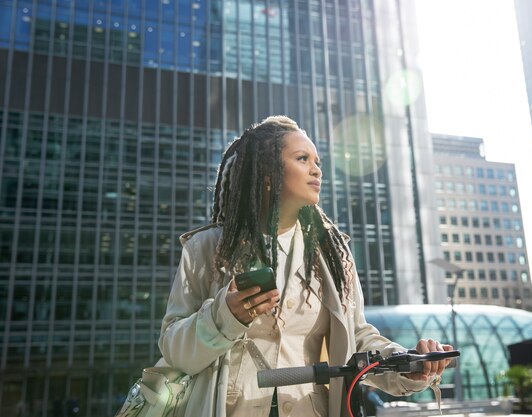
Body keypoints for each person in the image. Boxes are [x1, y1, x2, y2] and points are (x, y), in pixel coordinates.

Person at [158, 115, 453, 417]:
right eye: (302, 159)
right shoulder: (207, 247)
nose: (316, 170)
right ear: (267, 173)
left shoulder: (333, 255)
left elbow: (357, 338)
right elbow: (175, 350)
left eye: (317, 161)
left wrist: (407, 363)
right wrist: (225, 315)